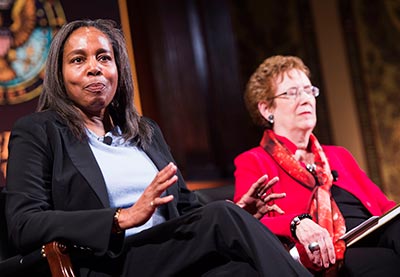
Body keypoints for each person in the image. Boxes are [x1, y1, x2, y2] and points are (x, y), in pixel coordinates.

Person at [4, 20, 312, 276]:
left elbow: (188, 207)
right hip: (111, 263)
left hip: (172, 255)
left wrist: (241, 213)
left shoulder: (145, 131)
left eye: (104, 57)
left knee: (245, 269)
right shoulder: (38, 131)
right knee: (223, 216)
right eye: (78, 59)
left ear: (118, 69)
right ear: (59, 74)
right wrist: (120, 219)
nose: (94, 68)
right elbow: (24, 224)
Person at [234, 55, 400, 276]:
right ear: (266, 109)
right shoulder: (253, 161)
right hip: (322, 257)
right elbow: (248, 223)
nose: (305, 99)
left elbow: (385, 208)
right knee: (385, 262)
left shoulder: (339, 155)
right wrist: (296, 223)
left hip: (371, 236)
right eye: (292, 93)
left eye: (308, 90)